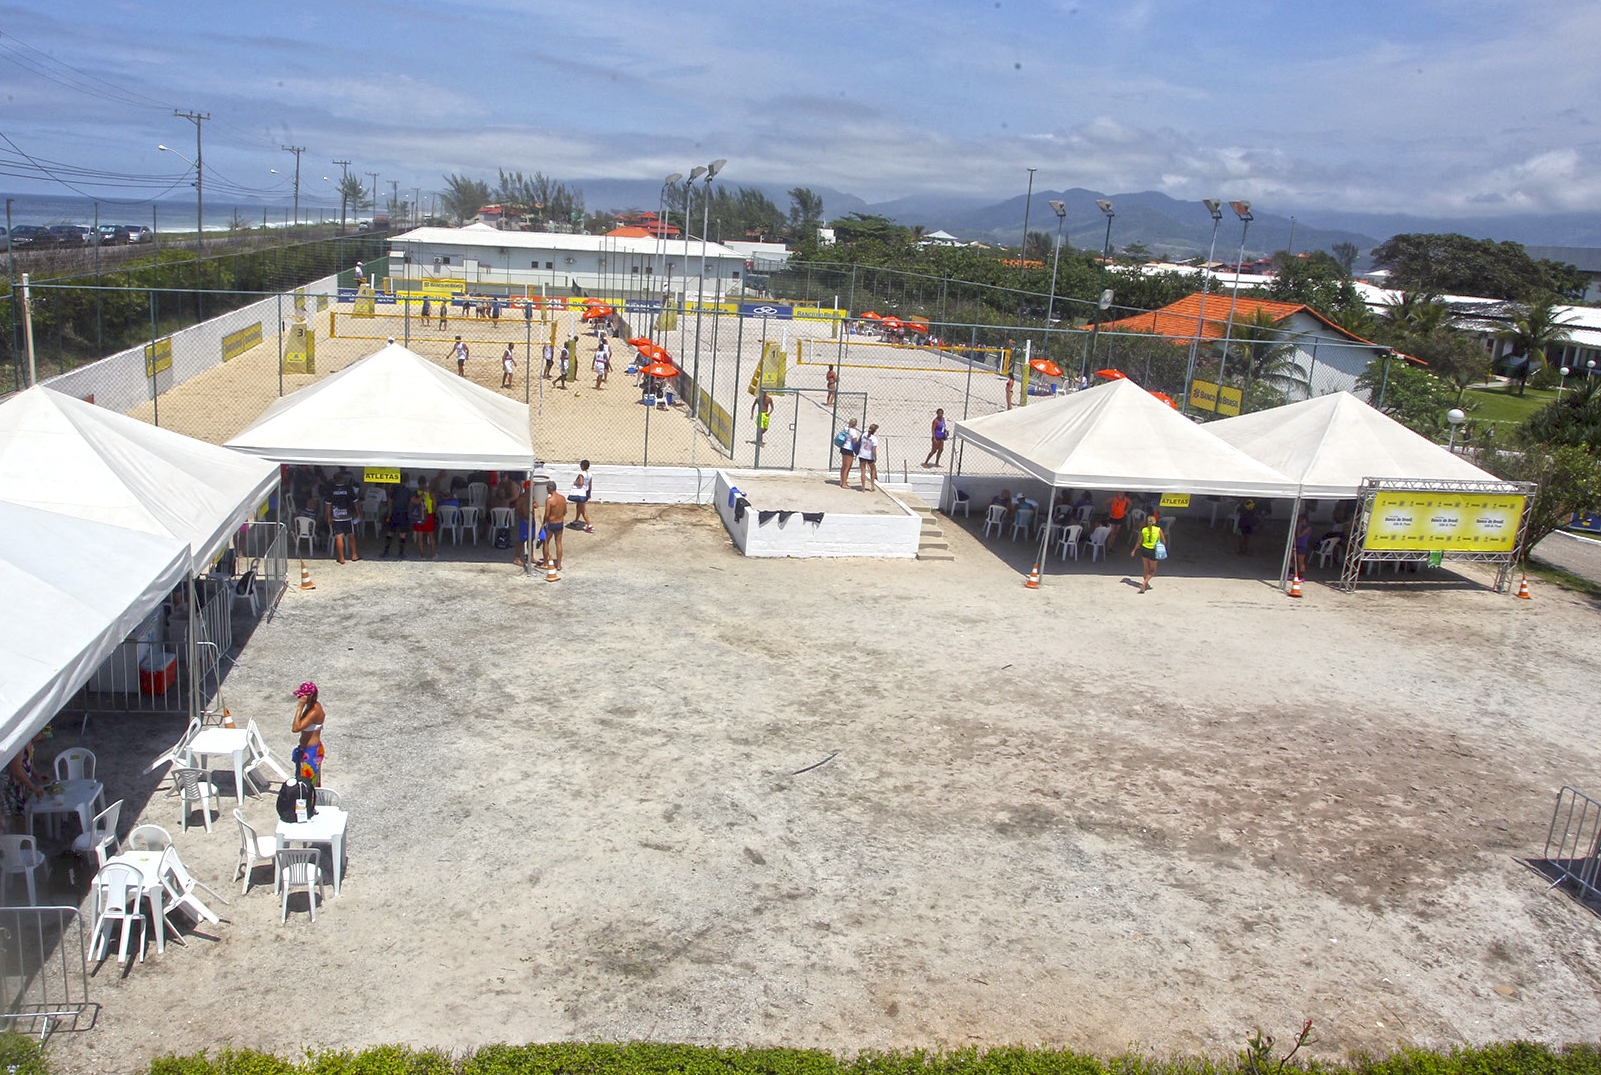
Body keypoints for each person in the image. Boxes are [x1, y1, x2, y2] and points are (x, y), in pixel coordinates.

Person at [3, 732, 48, 830]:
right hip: (12, 786)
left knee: (25, 814)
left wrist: (37, 774)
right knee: (16, 817)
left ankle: (24, 836)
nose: (42, 738)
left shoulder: (30, 743)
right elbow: (16, 770)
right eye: (42, 735)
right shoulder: (20, 745)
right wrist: (33, 787)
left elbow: (28, 762)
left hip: (22, 786)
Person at [290, 682, 326, 788]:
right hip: (306, 749)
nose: (300, 697)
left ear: (310, 695)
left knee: (308, 785)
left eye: (303, 695)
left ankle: (311, 803)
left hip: (311, 752)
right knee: (302, 782)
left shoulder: (314, 711)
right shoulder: (310, 707)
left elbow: (296, 728)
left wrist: (299, 708)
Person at [325, 470, 360, 565]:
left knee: (339, 536)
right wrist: (358, 513)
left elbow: (328, 504)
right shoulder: (348, 488)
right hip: (347, 515)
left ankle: (341, 558)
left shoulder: (331, 489)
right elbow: (355, 502)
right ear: (342, 479)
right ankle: (354, 555)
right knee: (351, 535)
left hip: (336, 516)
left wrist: (328, 516)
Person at [1131, 510, 1164, 593]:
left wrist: (1134, 550)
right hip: (1153, 550)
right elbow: (1164, 541)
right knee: (1153, 570)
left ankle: (1145, 585)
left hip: (1144, 549)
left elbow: (1139, 541)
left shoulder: (1144, 530)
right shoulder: (1158, 530)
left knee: (1145, 568)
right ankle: (1145, 582)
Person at [381, 475, 412, 558]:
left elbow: (390, 501)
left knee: (390, 532)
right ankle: (401, 553)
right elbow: (412, 501)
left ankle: (386, 551)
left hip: (394, 512)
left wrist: (389, 512)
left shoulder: (394, 489)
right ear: (407, 481)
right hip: (403, 513)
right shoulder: (408, 491)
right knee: (402, 534)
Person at [540, 481, 568, 570]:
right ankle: (559, 565)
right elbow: (565, 511)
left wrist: (543, 523)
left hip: (551, 523)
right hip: (560, 523)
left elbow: (547, 514)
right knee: (558, 543)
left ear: (549, 489)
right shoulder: (562, 498)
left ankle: (545, 563)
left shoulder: (549, 500)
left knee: (546, 542)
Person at [410, 480, 437, 559]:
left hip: (418, 515)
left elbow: (412, 504)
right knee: (431, 536)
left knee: (419, 536)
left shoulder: (415, 493)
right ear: (426, 483)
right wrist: (432, 512)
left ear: (418, 484)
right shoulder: (431, 493)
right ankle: (433, 554)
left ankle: (422, 555)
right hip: (428, 515)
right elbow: (434, 505)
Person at [512, 480, 534, 567]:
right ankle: (517, 558)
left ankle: (531, 556)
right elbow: (517, 510)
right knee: (522, 540)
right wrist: (524, 519)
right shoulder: (521, 498)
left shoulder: (531, 497)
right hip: (524, 520)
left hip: (531, 520)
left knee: (531, 539)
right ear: (527, 488)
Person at [570, 460, 594, 532]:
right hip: (585, 492)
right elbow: (590, 485)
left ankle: (589, 525)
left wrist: (575, 482)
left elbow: (580, 483)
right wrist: (589, 493)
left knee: (583, 510)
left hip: (580, 493)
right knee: (578, 507)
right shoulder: (590, 474)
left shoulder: (581, 474)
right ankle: (576, 520)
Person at [836, 418, 860, 488]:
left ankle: (842, 481)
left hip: (843, 447)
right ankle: (844, 483)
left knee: (844, 466)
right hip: (849, 449)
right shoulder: (853, 431)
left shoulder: (846, 429)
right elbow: (855, 442)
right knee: (848, 466)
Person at [856, 422, 880, 492]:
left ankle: (863, 487)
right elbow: (874, 450)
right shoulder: (874, 439)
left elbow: (859, 442)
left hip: (862, 454)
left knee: (863, 471)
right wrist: (875, 457)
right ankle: (872, 485)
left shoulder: (864, 434)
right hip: (869, 456)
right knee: (872, 470)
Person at [1294, 513, 1312, 578]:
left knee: (1301, 561)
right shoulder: (1302, 526)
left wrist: (1298, 527)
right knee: (1294, 559)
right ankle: (1295, 573)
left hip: (1303, 545)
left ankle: (1301, 575)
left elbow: (1299, 535)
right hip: (1298, 544)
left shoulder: (1308, 527)